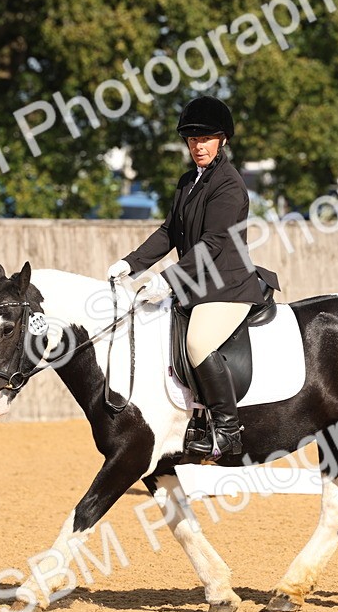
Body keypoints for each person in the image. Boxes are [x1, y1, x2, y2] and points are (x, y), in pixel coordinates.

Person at [107, 95, 280, 460]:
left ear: (222, 140)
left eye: (205, 139)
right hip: (196, 284)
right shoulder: (188, 181)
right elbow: (170, 231)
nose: (198, 146)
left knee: (198, 343)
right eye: (192, 140)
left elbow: (214, 243)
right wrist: (131, 263)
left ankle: (228, 431)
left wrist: (168, 279)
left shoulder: (230, 185)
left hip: (227, 287)